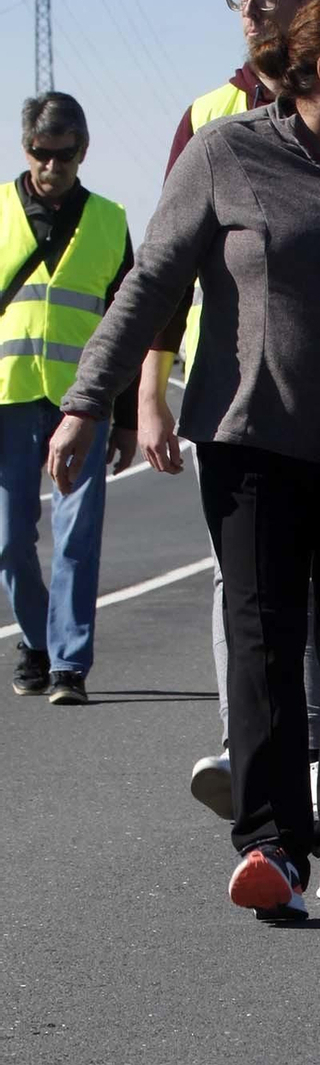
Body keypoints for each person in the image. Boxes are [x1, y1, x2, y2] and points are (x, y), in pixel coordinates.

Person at [51, 0, 320, 922]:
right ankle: (271, 846)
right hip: (250, 443)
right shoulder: (226, 155)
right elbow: (151, 282)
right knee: (264, 637)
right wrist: (91, 401)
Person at [134, 0, 320, 818]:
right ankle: (242, 739)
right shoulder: (207, 116)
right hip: (231, 388)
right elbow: (164, 267)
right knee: (238, 573)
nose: (251, 11)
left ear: (307, 2)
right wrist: (148, 391)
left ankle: (318, 741)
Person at [1, 94, 138, 704]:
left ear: (83, 152)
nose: (51, 166)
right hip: (8, 400)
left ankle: (68, 664)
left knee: (77, 534)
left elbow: (129, 323)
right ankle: (35, 640)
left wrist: (128, 416)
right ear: (25, 147)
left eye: (64, 155)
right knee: (8, 539)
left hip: (82, 405)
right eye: (40, 153)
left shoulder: (109, 220)